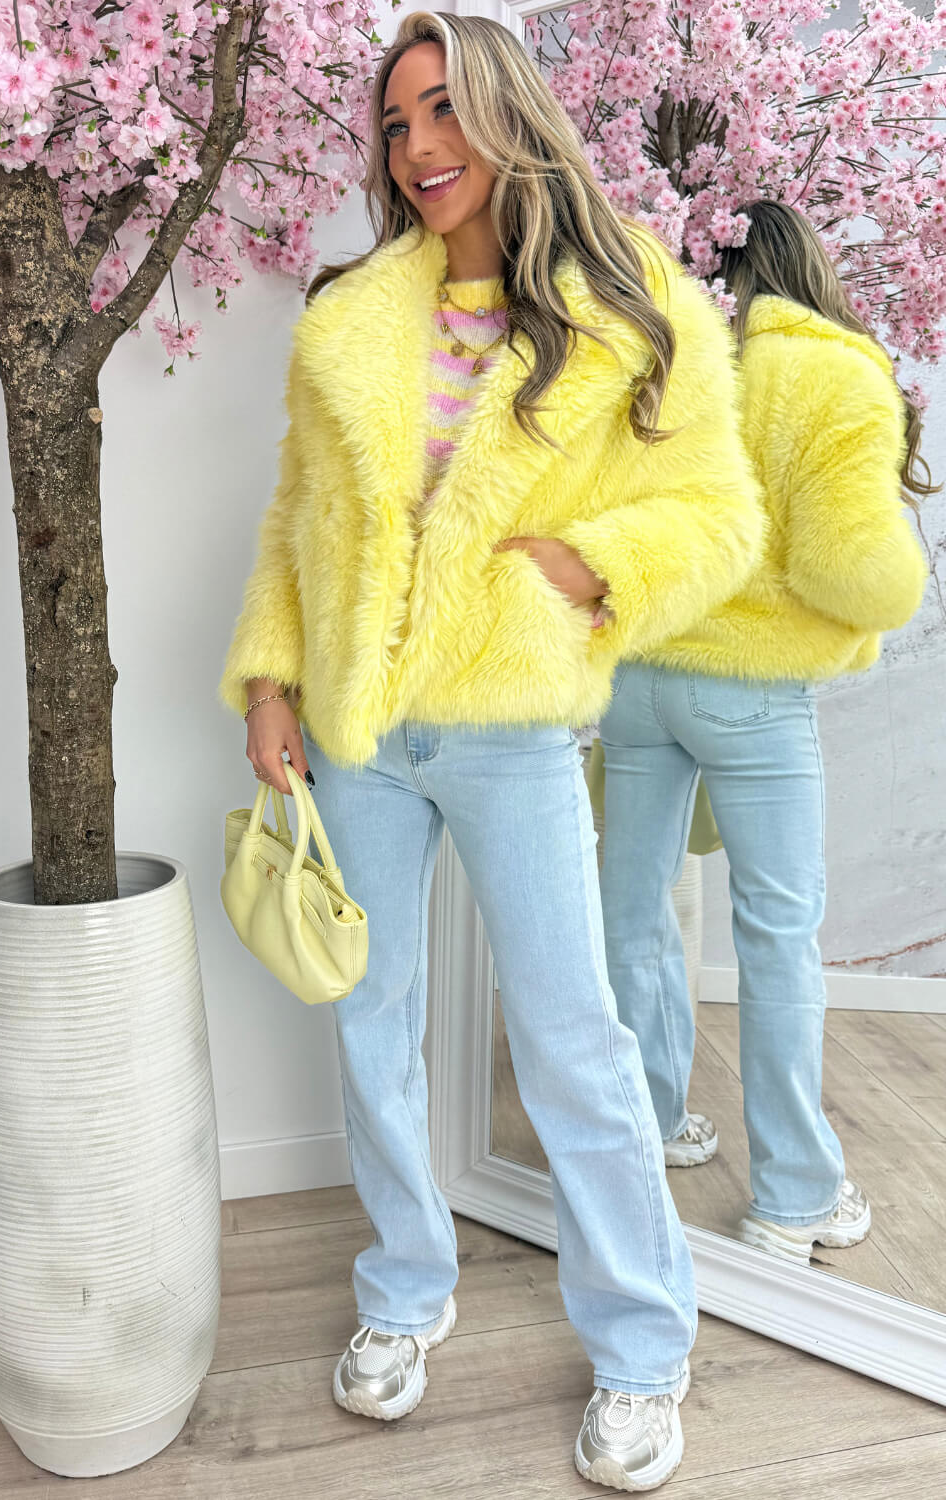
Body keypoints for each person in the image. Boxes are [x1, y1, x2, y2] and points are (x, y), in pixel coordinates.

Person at [219, 12, 764, 1490]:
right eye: (397, 123)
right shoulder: (357, 315)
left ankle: (643, 1348)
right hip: (360, 730)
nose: (420, 146)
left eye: (444, 109)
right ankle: (406, 1287)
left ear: (510, 112)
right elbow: (297, 516)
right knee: (370, 1021)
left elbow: (719, 514)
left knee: (573, 1039)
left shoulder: (628, 302)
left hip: (512, 726)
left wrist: (589, 565)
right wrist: (269, 679)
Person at [596, 198, 932, 1267]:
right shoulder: (833, 374)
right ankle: (793, 1195)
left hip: (639, 678)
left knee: (633, 910)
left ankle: (650, 1126)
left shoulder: (665, 361)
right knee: (777, 935)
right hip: (749, 692)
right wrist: (897, 583)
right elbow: (853, 569)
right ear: (808, 267)